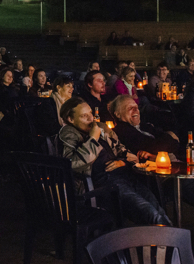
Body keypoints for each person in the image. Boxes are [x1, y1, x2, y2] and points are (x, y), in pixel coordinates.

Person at [58, 97, 171, 225]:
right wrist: (93, 139)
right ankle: (172, 242)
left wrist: (124, 161)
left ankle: (171, 241)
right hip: (104, 184)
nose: (91, 119)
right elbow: (72, 165)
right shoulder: (69, 135)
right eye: (85, 116)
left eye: (90, 113)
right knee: (149, 213)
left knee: (158, 209)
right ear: (70, 119)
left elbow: (122, 150)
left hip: (124, 176)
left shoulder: (100, 129)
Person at [109, 95, 179, 157]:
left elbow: (172, 144)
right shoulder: (123, 131)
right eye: (130, 108)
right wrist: (171, 139)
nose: (136, 110)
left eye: (136, 107)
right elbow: (153, 146)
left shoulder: (144, 126)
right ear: (118, 114)